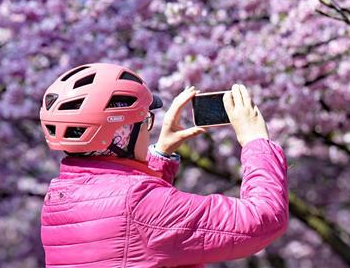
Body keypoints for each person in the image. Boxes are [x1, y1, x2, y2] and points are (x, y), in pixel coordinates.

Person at [39, 63, 289, 267]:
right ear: (121, 134)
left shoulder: (60, 196)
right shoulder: (138, 204)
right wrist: (256, 141)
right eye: (145, 120)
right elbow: (262, 219)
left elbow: (129, 228)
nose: (149, 129)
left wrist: (161, 154)